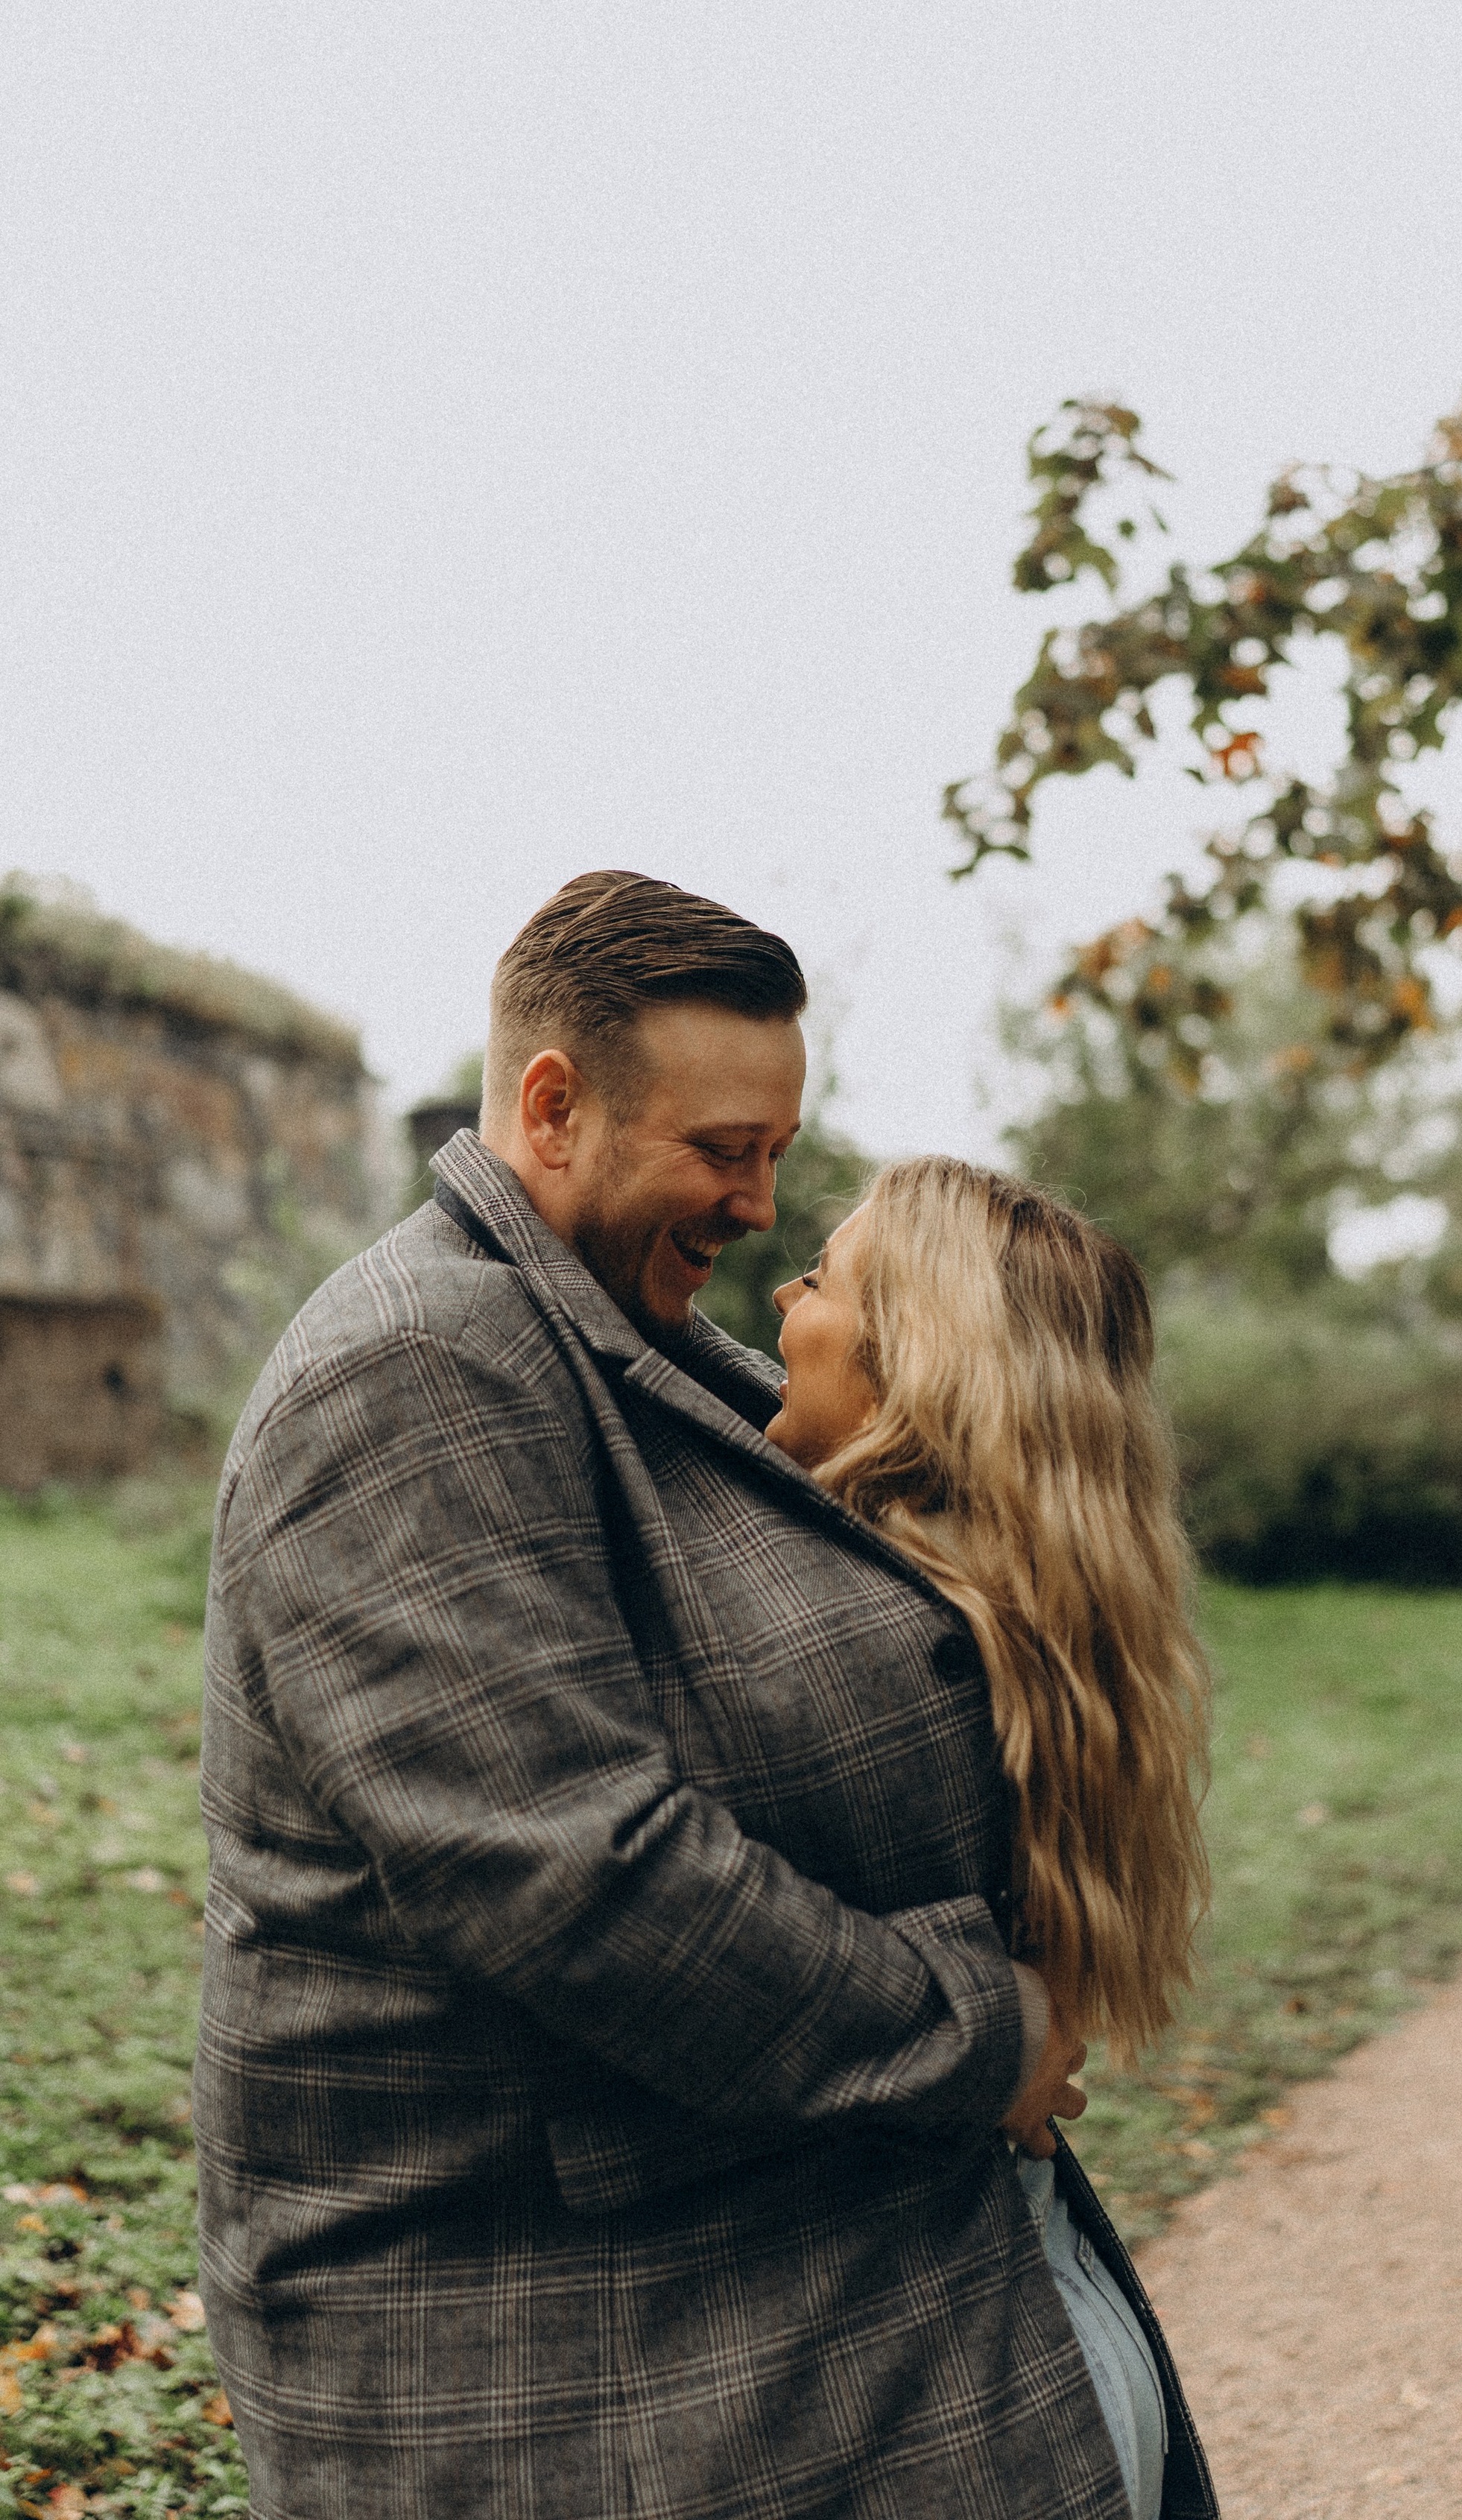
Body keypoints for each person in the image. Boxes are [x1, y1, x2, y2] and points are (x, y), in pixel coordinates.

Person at [194, 869, 1217, 2520]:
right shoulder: (415, 1368)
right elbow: (577, 1873)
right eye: (724, 1150)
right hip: (526, 2317)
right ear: (552, 1108)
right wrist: (982, 2037)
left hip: (732, 2231)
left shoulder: (621, 1339)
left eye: (775, 1154)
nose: (757, 1208)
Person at [768, 1158, 1215, 2520]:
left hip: (969, 2399)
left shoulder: (870, 1655)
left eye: (820, 1280)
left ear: (912, 1366)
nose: (781, 1297)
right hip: (1055, 2323)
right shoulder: (1034, 1633)